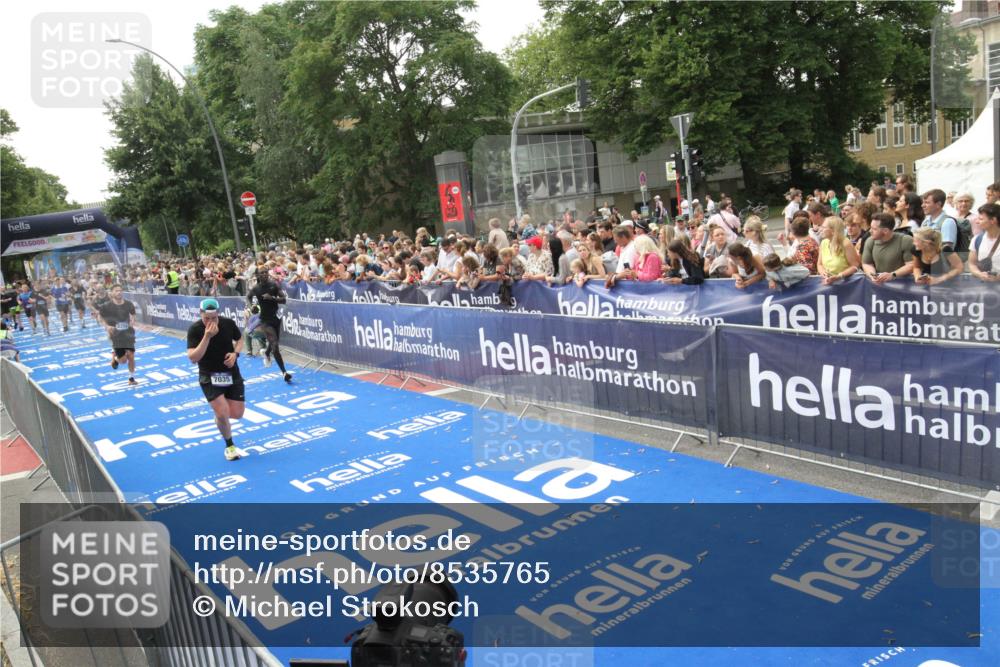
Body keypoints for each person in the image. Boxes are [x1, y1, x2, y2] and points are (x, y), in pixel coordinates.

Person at [186, 298, 245, 462]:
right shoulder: (195, 329)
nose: (210, 321)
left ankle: (220, 417)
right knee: (222, 412)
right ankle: (230, 446)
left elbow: (240, 340)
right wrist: (206, 337)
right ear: (201, 314)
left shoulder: (228, 323)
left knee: (237, 414)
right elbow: (193, 357)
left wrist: (235, 354)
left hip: (231, 373)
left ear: (218, 314)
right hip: (209, 375)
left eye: (214, 318)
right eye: (207, 318)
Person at [247, 268, 292, 382]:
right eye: (262, 273)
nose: (264, 274)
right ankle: (284, 373)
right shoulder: (256, 288)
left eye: (266, 272)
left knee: (274, 342)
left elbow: (284, 300)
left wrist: (272, 298)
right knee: (275, 346)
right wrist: (251, 306)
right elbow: (248, 297)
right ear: (258, 275)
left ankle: (266, 353)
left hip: (276, 319)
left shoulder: (273, 285)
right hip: (265, 321)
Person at [99, 285, 138, 385]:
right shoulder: (106, 306)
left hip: (128, 334)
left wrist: (132, 320)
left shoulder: (129, 304)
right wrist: (107, 326)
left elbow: (133, 315)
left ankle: (131, 378)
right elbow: (100, 317)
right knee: (123, 360)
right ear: (112, 293)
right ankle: (116, 359)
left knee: (131, 356)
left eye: (120, 290)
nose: (119, 292)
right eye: (116, 291)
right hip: (116, 336)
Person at [862, 213, 915, 283]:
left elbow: (912, 264)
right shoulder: (870, 241)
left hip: (903, 285)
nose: (870, 231)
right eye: (870, 227)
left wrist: (892, 274)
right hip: (880, 285)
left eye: (874, 229)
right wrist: (872, 275)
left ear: (885, 231)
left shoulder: (905, 240)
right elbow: (867, 263)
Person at [817, 216, 861, 285]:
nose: (821, 229)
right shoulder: (824, 242)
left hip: (846, 284)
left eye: (824, 227)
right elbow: (819, 264)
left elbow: (855, 266)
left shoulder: (846, 244)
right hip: (828, 284)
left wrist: (839, 276)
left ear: (833, 231)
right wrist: (823, 273)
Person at [968, 202, 1000, 282]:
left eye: (981, 219)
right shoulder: (977, 239)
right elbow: (972, 264)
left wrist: (997, 278)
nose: (977, 222)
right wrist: (979, 274)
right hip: (984, 288)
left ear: (993, 220)